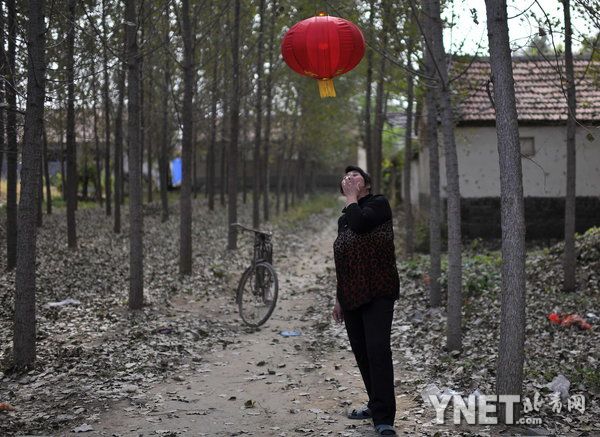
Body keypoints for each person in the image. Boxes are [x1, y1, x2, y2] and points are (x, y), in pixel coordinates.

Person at [332, 165, 400, 436]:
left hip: (378, 290)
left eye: (355, 175)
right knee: (362, 352)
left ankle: (384, 418)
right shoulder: (344, 219)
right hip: (351, 294)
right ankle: (375, 404)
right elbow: (343, 261)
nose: (350, 177)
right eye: (346, 176)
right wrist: (338, 298)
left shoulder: (379, 204)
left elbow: (361, 224)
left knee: (377, 349)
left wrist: (351, 199)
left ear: (367, 184)